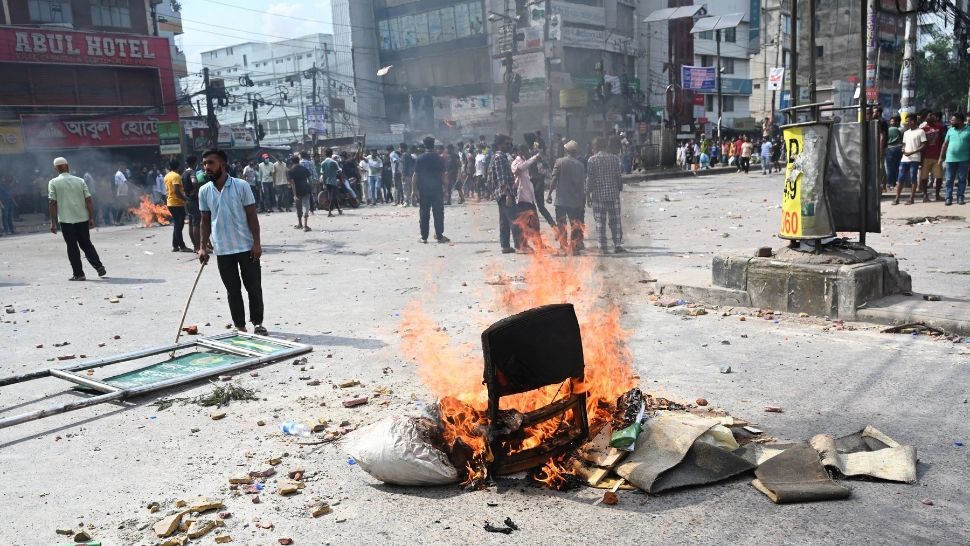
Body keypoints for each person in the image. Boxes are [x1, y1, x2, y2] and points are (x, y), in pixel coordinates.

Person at [197, 149, 266, 335]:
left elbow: (252, 215)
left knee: (253, 288)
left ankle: (257, 323)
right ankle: (240, 326)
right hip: (222, 250)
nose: (206, 167)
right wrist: (202, 247)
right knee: (232, 291)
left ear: (222, 164)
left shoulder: (241, 186)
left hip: (246, 247)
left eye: (211, 163)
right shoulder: (204, 191)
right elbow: (204, 220)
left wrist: (257, 243)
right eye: (204, 164)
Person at [48, 157, 106, 281]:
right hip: (82, 218)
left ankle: (79, 274)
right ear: (68, 166)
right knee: (86, 244)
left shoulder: (53, 182)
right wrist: (91, 218)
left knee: (72, 247)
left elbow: (52, 202)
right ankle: (99, 266)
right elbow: (89, 200)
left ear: (56, 168)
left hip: (66, 220)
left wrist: (53, 222)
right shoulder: (80, 181)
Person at [586, 137, 625, 254]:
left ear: (595, 147)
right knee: (615, 221)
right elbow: (618, 176)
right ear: (606, 146)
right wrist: (619, 187)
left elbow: (590, 179)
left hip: (598, 196)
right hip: (613, 194)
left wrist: (588, 195)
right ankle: (617, 245)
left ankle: (602, 247)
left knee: (600, 222)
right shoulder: (614, 159)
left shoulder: (591, 160)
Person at [547, 140, 586, 255]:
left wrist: (549, 194)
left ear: (566, 150)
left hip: (561, 201)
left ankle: (563, 247)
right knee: (575, 225)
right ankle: (574, 248)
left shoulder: (559, 162)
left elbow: (554, 179)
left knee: (561, 225)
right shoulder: (580, 165)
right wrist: (582, 201)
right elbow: (581, 185)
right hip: (574, 201)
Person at [411, 136, 449, 244]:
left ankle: (424, 238)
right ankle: (440, 236)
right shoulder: (439, 158)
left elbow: (415, 176)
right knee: (438, 213)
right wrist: (446, 190)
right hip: (437, 190)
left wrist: (413, 190)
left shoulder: (420, 158)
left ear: (424, 145)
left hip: (424, 190)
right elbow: (443, 175)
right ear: (434, 145)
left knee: (424, 214)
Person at [487, 134, 517, 254]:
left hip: (502, 194)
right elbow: (501, 179)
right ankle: (520, 245)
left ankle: (505, 246)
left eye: (510, 144)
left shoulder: (501, 156)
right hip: (505, 194)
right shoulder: (499, 157)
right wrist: (508, 195)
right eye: (506, 144)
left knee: (504, 221)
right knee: (514, 220)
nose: (509, 146)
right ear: (499, 145)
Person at [510, 144, 542, 253]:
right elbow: (519, 169)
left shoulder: (526, 162)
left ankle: (539, 244)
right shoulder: (516, 162)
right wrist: (533, 158)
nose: (527, 152)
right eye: (525, 150)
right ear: (520, 152)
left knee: (534, 223)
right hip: (522, 198)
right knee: (523, 223)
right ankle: (522, 246)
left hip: (529, 198)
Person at [939, 112, 970, 206]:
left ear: (959, 121)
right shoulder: (950, 130)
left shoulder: (968, 130)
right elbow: (945, 144)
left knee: (962, 179)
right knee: (949, 180)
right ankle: (948, 198)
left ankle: (960, 197)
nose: (951, 121)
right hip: (950, 159)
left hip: (964, 159)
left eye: (953, 120)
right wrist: (941, 157)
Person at [896, 114, 925, 205]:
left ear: (913, 121)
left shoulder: (921, 131)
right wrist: (903, 149)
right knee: (900, 178)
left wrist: (912, 152)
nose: (907, 123)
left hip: (915, 159)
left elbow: (923, 145)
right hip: (904, 158)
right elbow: (904, 144)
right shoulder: (906, 132)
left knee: (913, 179)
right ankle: (897, 198)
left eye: (908, 121)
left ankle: (911, 198)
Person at [164, 159, 189, 252]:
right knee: (179, 225)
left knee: (177, 225)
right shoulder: (176, 176)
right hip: (176, 203)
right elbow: (176, 190)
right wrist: (185, 199)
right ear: (178, 166)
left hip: (170, 203)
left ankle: (175, 246)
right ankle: (182, 246)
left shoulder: (167, 176)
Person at [919, 111, 945, 202]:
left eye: (932, 115)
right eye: (930, 115)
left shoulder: (940, 127)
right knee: (924, 177)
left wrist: (943, 155)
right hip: (925, 156)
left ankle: (937, 195)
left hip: (937, 156)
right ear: (925, 117)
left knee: (939, 177)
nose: (932, 117)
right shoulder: (922, 128)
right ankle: (925, 195)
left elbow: (942, 141)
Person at [287, 155, 313, 231]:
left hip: (297, 191)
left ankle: (300, 224)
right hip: (306, 190)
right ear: (299, 160)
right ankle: (305, 226)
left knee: (298, 208)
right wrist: (311, 189)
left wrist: (294, 195)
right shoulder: (304, 169)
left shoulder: (290, 171)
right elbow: (310, 180)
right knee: (306, 207)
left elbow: (292, 183)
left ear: (292, 161)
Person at [320, 148, 343, 216]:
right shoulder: (334, 162)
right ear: (331, 154)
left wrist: (324, 183)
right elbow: (339, 170)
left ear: (325, 154)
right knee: (332, 196)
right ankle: (330, 211)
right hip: (333, 181)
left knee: (333, 196)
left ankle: (339, 210)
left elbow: (322, 173)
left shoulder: (323, 163)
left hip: (326, 181)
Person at [885, 115, 903, 192]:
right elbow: (902, 139)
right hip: (899, 148)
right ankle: (896, 184)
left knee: (889, 168)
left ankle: (889, 184)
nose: (891, 122)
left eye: (892, 121)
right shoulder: (901, 129)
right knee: (897, 167)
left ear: (897, 122)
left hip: (890, 149)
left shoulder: (888, 129)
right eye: (891, 121)